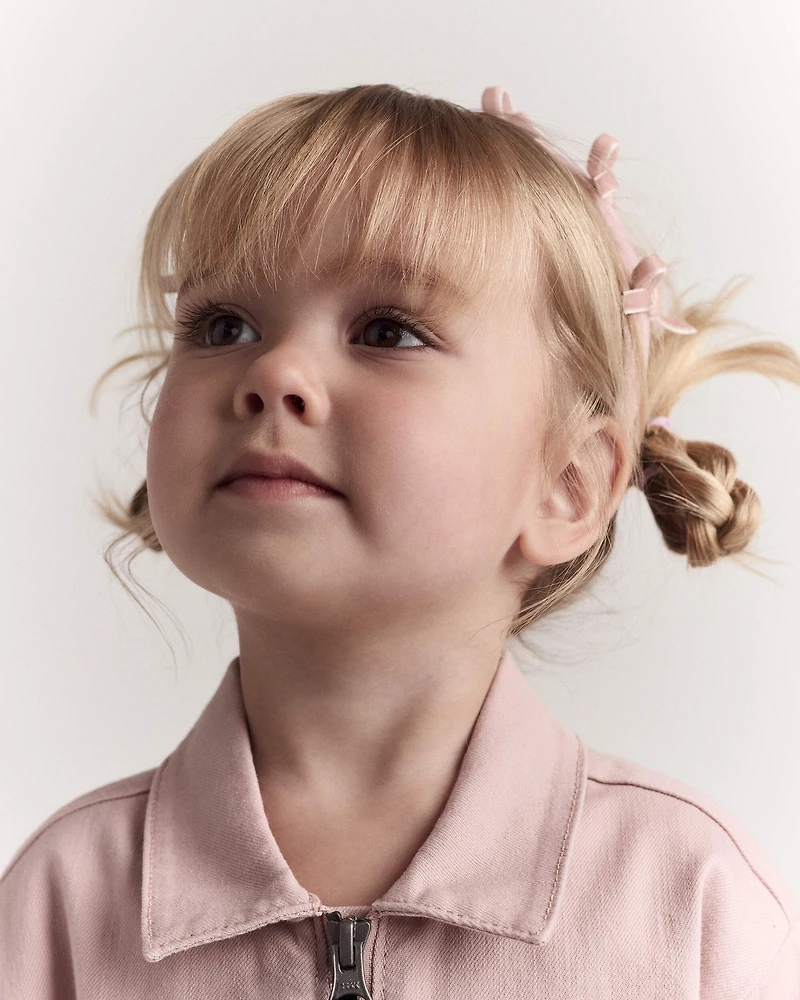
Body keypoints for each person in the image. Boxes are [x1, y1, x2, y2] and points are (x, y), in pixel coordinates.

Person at [2, 82, 799, 998]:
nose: (274, 373)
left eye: (388, 331)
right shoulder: (59, 907)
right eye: (223, 325)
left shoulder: (694, 908)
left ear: (569, 484)